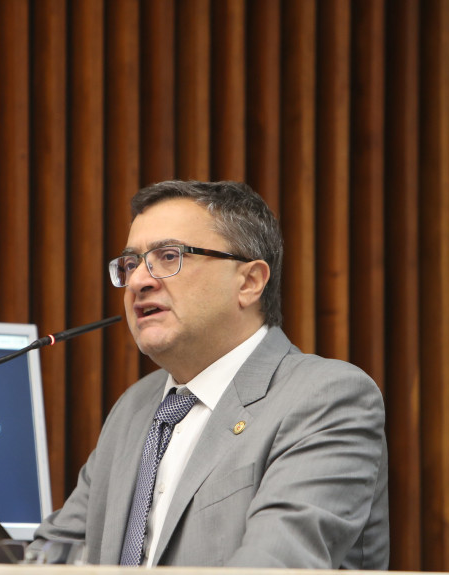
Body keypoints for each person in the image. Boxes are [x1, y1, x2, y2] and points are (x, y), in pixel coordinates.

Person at [31, 180, 389, 568]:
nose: (137, 281)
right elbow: (52, 557)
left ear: (249, 282)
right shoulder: (134, 408)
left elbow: (275, 564)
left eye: (169, 256)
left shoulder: (327, 397)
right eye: (131, 263)